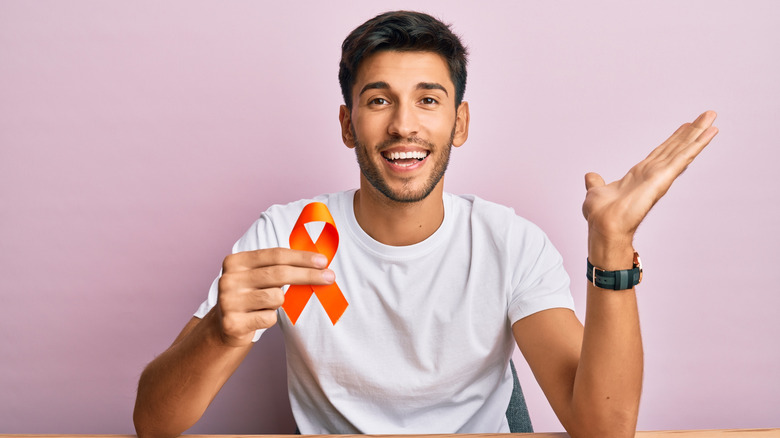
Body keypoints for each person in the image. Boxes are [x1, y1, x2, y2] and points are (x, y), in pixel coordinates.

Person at [133, 10, 718, 438]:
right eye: (380, 100)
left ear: (459, 123)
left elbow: (604, 429)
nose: (404, 125)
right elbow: (153, 424)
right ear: (347, 123)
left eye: (429, 100)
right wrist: (218, 331)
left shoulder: (506, 243)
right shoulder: (290, 236)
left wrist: (612, 245)